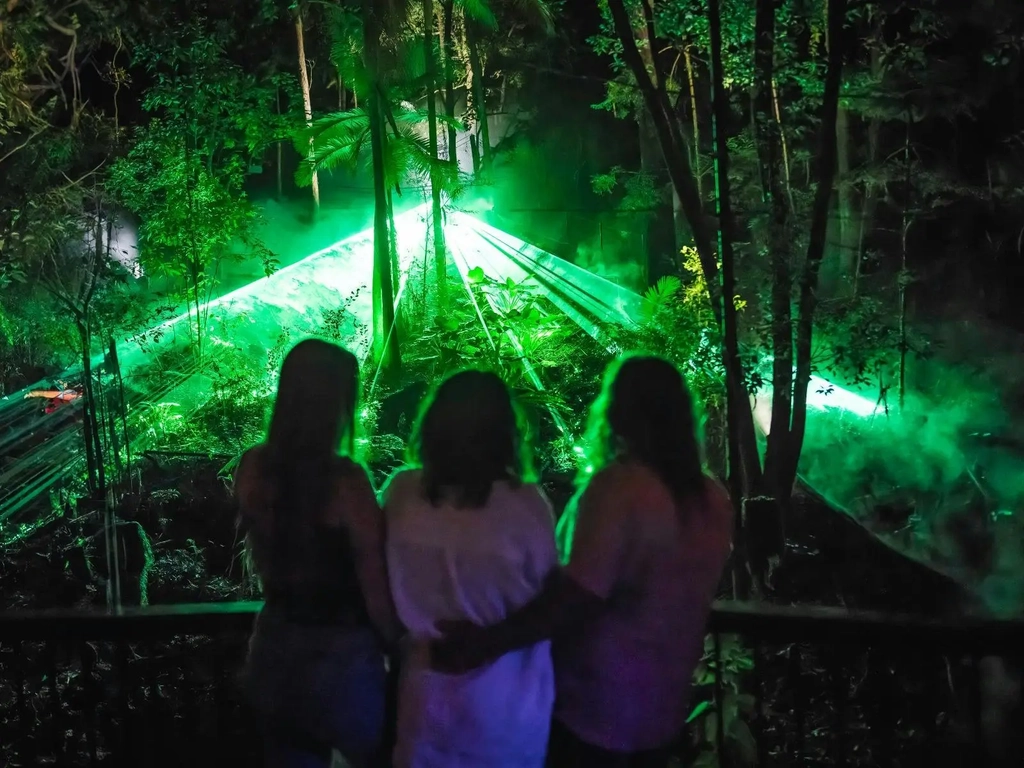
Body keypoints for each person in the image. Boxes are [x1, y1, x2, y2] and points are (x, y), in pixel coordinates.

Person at [432, 354, 734, 768]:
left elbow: (578, 597)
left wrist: (486, 642)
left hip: (595, 707)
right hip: (663, 708)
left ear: (618, 412)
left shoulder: (619, 489)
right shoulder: (713, 499)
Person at [235, 339, 400, 768]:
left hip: (272, 646)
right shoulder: (347, 483)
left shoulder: (253, 466)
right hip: (341, 659)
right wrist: (398, 646)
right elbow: (373, 582)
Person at [382, 370, 558, 768]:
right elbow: (550, 594)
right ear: (505, 429)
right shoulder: (525, 504)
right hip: (508, 705)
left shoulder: (402, 493)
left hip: (424, 696)